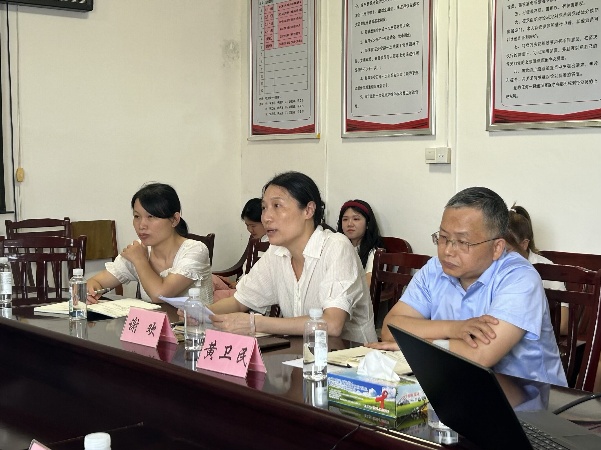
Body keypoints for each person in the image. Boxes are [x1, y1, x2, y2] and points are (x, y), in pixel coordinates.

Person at [369, 187, 566, 386]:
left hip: (531, 397)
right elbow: (390, 329)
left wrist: (410, 346)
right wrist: (455, 328)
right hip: (456, 384)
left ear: (497, 247)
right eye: (443, 237)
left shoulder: (520, 277)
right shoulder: (434, 269)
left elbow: (480, 355)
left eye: (463, 242)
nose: (447, 251)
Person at [206, 171, 377, 342]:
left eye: (277, 206)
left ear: (308, 210)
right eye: (264, 208)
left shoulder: (336, 247)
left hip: (354, 355)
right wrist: (200, 313)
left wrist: (255, 323)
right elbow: (239, 301)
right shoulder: (277, 252)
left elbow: (332, 324)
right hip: (302, 353)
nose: (266, 217)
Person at [86, 182, 212, 304]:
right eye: (137, 216)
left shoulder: (196, 250)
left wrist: (140, 260)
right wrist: (91, 290)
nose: (141, 225)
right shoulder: (139, 249)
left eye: (151, 217)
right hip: (153, 320)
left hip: (192, 320)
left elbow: (160, 295)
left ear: (174, 219)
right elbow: (96, 282)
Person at [503, 204, 567, 334]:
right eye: (495, 247)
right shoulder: (491, 267)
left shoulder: (548, 270)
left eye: (507, 250)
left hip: (535, 340)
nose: (499, 255)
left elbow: (563, 326)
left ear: (524, 244)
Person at [212, 198, 267, 301]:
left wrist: (240, 284)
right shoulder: (256, 239)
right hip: (241, 286)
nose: (250, 230)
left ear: (265, 221)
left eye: (253, 226)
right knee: (209, 279)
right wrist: (238, 282)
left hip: (251, 293)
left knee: (213, 297)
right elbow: (247, 269)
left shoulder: (272, 244)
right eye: (247, 225)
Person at [337, 199, 384, 287]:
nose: (349, 224)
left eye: (356, 219)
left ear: (368, 223)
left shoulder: (374, 252)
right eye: (345, 219)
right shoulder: (337, 247)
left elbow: (368, 284)